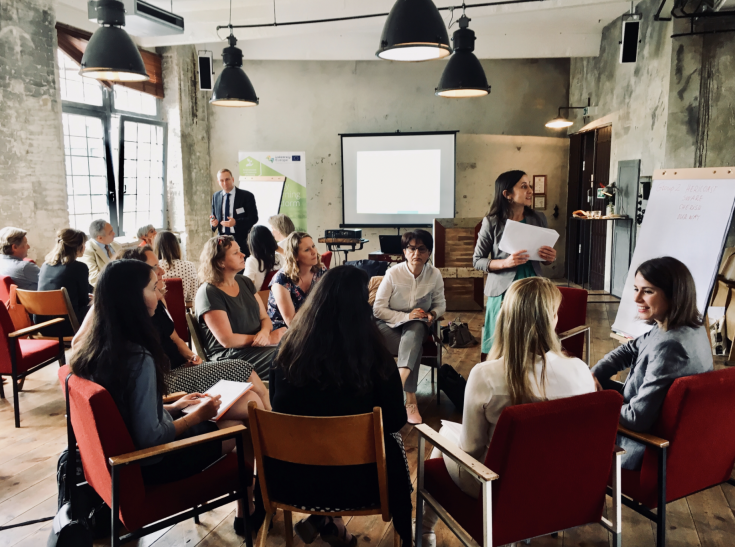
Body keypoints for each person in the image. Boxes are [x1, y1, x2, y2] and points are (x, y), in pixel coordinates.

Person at [69, 259, 266, 535]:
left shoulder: (91, 350)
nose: (161, 293)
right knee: (240, 425)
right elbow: (152, 438)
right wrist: (198, 416)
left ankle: (253, 504)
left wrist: (173, 406)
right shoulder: (138, 357)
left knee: (245, 404)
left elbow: (125, 410)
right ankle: (250, 509)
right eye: (154, 288)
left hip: (116, 464)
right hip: (154, 462)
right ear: (132, 299)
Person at [419, 277, 595, 547]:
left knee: (442, 439)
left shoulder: (487, 375)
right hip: (562, 485)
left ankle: (424, 531)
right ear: (551, 318)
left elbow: (471, 448)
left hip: (500, 489)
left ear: (506, 317)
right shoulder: (580, 370)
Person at [269, 266, 412, 547]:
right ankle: (335, 522)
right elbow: (396, 419)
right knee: (391, 441)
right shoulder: (374, 355)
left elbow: (277, 405)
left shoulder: (287, 349)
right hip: (362, 484)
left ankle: (325, 519)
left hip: (294, 480)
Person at [591, 257, 713, 470]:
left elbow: (637, 419)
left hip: (637, 446)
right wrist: (593, 375)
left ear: (674, 294)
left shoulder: (670, 346)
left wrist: (598, 400)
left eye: (647, 291)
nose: (636, 298)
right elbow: (629, 349)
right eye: (636, 289)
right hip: (659, 427)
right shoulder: (686, 326)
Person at [114, 245, 270, 401]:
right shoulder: (129, 314)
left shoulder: (159, 300)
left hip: (180, 369)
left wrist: (191, 356)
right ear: (136, 275)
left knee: (247, 398)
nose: (161, 271)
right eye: (155, 267)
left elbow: (174, 338)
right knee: (242, 368)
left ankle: (271, 420)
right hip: (165, 379)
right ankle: (275, 419)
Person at [472, 170, 557, 361]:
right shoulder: (491, 222)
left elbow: (544, 258)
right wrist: (505, 262)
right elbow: (477, 260)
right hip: (502, 290)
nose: (530, 191)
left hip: (533, 286)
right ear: (507, 194)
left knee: (533, 345)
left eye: (530, 186)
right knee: (499, 346)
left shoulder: (539, 218)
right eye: (523, 186)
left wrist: (549, 257)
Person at [373, 229, 445, 425]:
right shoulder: (392, 273)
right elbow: (378, 309)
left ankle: (399, 383)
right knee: (414, 346)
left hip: (416, 328)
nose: (416, 254)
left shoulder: (434, 274)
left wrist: (432, 314)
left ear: (429, 252)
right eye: (411, 249)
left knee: (417, 325)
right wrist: (405, 316)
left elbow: (441, 304)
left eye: (422, 249)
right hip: (388, 326)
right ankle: (410, 399)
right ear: (404, 252)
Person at [196, 235, 277, 380]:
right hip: (230, 358)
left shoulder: (244, 281)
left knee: (301, 349)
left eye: (240, 250)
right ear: (220, 262)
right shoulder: (209, 292)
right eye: (235, 253)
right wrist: (267, 339)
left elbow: (265, 318)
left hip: (255, 348)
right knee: (290, 358)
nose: (243, 254)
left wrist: (265, 333)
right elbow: (227, 340)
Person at [268, 232, 326, 343]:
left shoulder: (320, 271)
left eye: (313, 246)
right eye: (307, 250)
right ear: (295, 256)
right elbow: (291, 322)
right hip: (285, 332)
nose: (314, 252)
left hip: (313, 324)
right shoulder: (281, 280)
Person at [35, 228, 92, 336]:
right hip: (68, 324)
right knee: (104, 306)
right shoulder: (79, 267)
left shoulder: (45, 265)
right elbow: (83, 300)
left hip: (43, 324)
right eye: (84, 244)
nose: (85, 247)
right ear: (78, 246)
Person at [210, 168, 258, 257]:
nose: (225, 183)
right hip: (222, 240)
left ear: (232, 179)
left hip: (242, 240)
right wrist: (214, 223)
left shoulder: (246, 196)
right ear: (218, 182)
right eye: (222, 180)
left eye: (227, 179)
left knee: (242, 268)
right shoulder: (216, 196)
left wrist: (235, 222)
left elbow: (254, 218)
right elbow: (213, 216)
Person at [154, 230, 199, 302]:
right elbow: (193, 296)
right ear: (176, 246)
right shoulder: (189, 266)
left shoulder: (153, 267)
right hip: (180, 310)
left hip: (158, 310)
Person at [80, 219, 121, 287]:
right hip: (107, 287)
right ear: (100, 238)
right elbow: (94, 278)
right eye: (110, 232)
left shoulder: (116, 245)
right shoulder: (88, 250)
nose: (114, 233)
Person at [244, 225, 284, 291]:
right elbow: (292, 258)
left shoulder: (252, 261)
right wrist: (276, 247)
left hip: (260, 299)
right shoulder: (279, 257)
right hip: (277, 298)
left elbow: (246, 287)